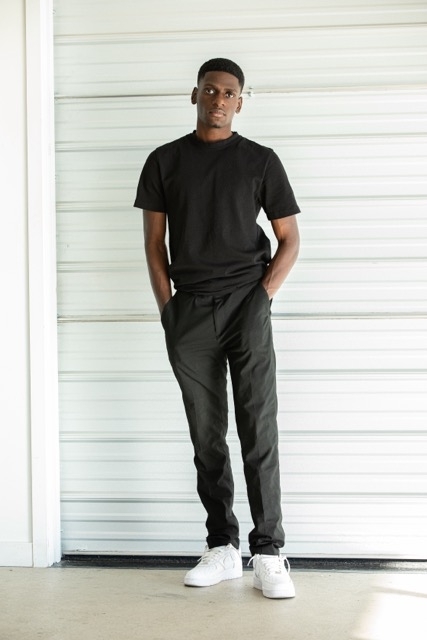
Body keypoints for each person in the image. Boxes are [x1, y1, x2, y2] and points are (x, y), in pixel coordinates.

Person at [134, 58, 300, 599]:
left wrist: (261, 298)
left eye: (229, 93)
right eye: (210, 90)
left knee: (258, 428)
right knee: (206, 435)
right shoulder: (164, 161)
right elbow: (153, 245)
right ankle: (222, 546)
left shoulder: (260, 160)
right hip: (189, 312)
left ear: (240, 102)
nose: (219, 99)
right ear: (195, 95)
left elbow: (289, 240)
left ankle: (269, 551)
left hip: (246, 306)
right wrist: (170, 311)